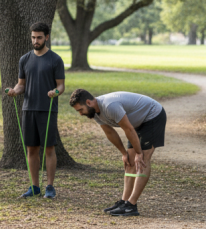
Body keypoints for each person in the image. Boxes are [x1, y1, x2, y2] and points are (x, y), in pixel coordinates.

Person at [69, 89, 166, 217]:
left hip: (152, 115)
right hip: (138, 122)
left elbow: (128, 129)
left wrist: (138, 152)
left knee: (142, 160)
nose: (80, 114)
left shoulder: (110, 106)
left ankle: (132, 205)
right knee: (130, 162)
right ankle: (124, 202)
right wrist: (124, 153)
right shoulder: (95, 113)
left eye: (80, 110)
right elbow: (110, 133)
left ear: (88, 102)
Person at [6, 22, 65, 199]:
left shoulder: (55, 59)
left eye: (39, 37)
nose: (35, 40)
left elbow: (61, 85)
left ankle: (50, 187)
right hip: (28, 109)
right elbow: (21, 84)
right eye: (33, 37)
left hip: (47, 109)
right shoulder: (24, 59)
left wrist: (55, 92)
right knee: (31, 149)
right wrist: (15, 91)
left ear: (46, 37)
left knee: (48, 149)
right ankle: (34, 187)